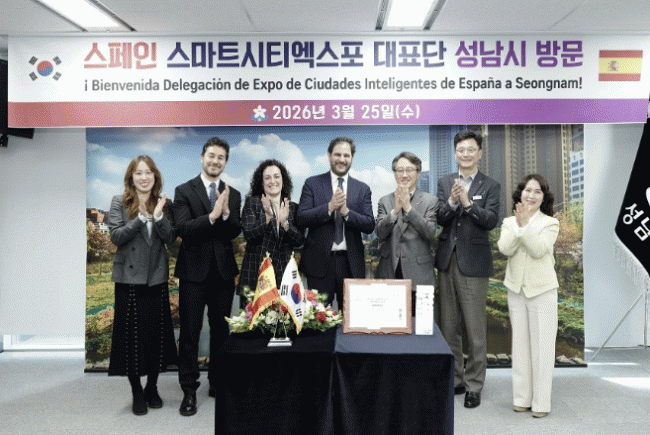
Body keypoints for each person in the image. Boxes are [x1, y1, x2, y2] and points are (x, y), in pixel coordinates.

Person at [172, 137, 241, 416]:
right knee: (190, 332)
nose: (215, 161)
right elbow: (184, 229)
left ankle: (217, 382)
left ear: (225, 162)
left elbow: (234, 231)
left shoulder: (233, 193)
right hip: (193, 273)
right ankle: (189, 390)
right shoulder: (183, 190)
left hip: (223, 273)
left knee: (221, 331)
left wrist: (226, 215)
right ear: (202, 158)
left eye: (221, 157)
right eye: (211, 156)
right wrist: (212, 216)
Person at [107, 155, 178, 416]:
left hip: (156, 278)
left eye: (148, 172)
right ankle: (137, 391)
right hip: (129, 280)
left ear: (155, 176)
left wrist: (158, 217)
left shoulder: (164, 204)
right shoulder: (119, 201)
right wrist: (140, 218)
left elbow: (170, 238)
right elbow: (116, 236)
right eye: (138, 173)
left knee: (156, 337)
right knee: (132, 340)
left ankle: (152, 388)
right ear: (131, 177)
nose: (144, 177)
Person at [436, 130, 500, 408]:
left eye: (471, 149)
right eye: (461, 150)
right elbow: (439, 218)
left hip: (474, 263)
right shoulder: (445, 182)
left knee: (475, 330)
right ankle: (456, 380)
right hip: (447, 261)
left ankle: (475, 385)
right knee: (449, 328)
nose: (465, 154)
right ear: (455, 153)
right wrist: (451, 202)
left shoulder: (491, 185)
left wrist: (467, 203)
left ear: (479, 153)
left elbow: (491, 220)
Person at [497, 174, 559, 418]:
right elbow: (505, 248)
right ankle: (521, 398)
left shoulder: (550, 223)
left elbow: (538, 249)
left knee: (542, 349)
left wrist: (524, 227)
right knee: (520, 346)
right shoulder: (508, 222)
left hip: (542, 291)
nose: (531, 195)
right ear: (520, 193)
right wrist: (518, 225)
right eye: (527, 190)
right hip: (516, 290)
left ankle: (541, 403)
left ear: (544, 197)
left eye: (537, 192)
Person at [297, 137, 375, 306]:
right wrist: (329, 207)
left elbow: (369, 224)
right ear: (329, 155)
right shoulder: (312, 184)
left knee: (351, 317)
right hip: (318, 264)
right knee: (318, 316)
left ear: (352, 157)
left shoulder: (362, 189)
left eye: (346, 155)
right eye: (337, 154)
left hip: (351, 265)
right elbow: (301, 218)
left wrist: (346, 213)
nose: (342, 159)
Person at [375, 151, 438, 310]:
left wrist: (408, 208)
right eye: (399, 170)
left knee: (421, 323)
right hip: (389, 273)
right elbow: (380, 233)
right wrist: (395, 211)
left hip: (420, 275)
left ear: (418, 173)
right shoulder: (385, 201)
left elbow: (430, 232)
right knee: (390, 321)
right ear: (395, 174)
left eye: (409, 170)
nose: (404, 175)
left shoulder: (430, 200)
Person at [237, 159, 305, 299]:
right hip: (255, 276)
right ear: (261, 183)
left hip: (284, 278)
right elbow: (249, 235)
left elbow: (299, 240)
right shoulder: (252, 204)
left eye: (276, 176)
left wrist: (285, 223)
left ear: (283, 180)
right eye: (267, 178)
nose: (272, 181)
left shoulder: (293, 208)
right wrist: (267, 218)